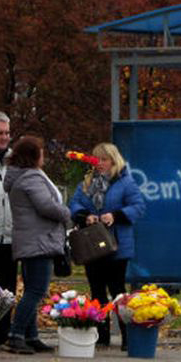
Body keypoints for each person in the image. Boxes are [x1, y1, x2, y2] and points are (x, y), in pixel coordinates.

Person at [68, 142, 145, 349]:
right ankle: (102, 336)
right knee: (97, 292)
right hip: (92, 245)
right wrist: (85, 216)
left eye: (103, 159)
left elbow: (138, 207)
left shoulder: (126, 182)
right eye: (96, 159)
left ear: (113, 160)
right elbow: (74, 204)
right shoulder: (87, 182)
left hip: (117, 245)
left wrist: (116, 216)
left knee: (118, 291)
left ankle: (128, 337)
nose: (99, 163)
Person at [1, 135, 69, 354]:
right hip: (38, 241)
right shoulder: (31, 177)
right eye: (41, 151)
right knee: (37, 291)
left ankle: (31, 336)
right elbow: (46, 206)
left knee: (32, 288)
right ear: (33, 155)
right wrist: (67, 213)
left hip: (30, 240)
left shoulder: (20, 176)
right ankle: (16, 333)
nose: (44, 156)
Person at [0, 112, 15, 347]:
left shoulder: (15, 160)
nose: (5, 137)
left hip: (11, 236)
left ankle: (1, 334)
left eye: (7, 133)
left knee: (7, 288)